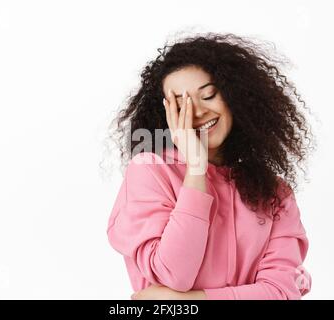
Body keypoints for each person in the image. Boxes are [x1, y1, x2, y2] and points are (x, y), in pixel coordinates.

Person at [106, 32, 314, 299]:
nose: (197, 112)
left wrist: (186, 301)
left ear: (233, 96)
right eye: (180, 104)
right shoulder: (150, 171)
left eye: (208, 95)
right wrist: (196, 169)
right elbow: (174, 274)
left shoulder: (274, 192)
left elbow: (280, 292)